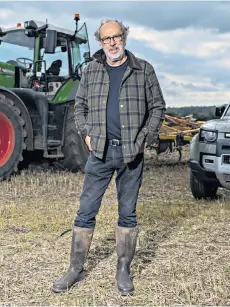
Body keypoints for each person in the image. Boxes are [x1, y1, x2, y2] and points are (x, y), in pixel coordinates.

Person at [51, 18, 166, 296]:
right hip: (100, 151)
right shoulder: (91, 70)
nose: (112, 43)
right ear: (101, 42)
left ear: (124, 37)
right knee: (86, 209)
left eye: (116, 37)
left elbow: (158, 107)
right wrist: (87, 134)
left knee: (127, 213)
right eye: (106, 39)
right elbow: (79, 107)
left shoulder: (143, 70)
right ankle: (75, 268)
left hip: (131, 153)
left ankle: (123, 269)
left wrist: (144, 140)